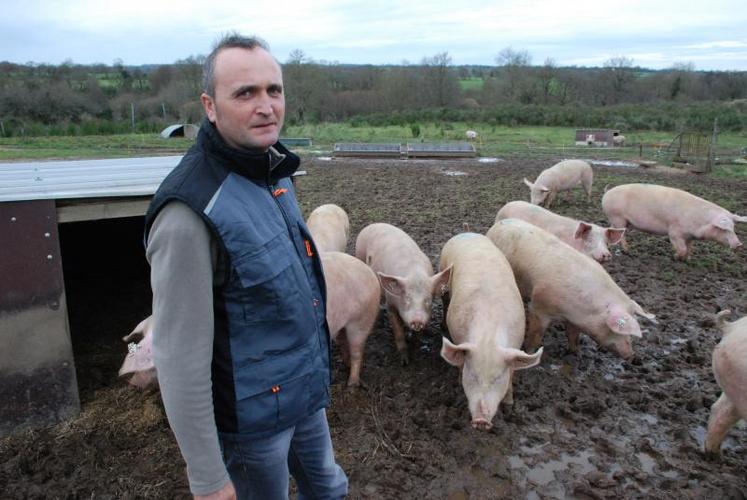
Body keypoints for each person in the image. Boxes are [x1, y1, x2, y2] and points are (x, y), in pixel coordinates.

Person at [144, 33, 348, 500]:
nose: (266, 106)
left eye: (273, 90)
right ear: (210, 106)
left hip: (303, 396)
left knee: (330, 489)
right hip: (252, 426)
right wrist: (208, 478)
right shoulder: (188, 213)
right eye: (245, 93)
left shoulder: (272, 172)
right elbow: (179, 358)